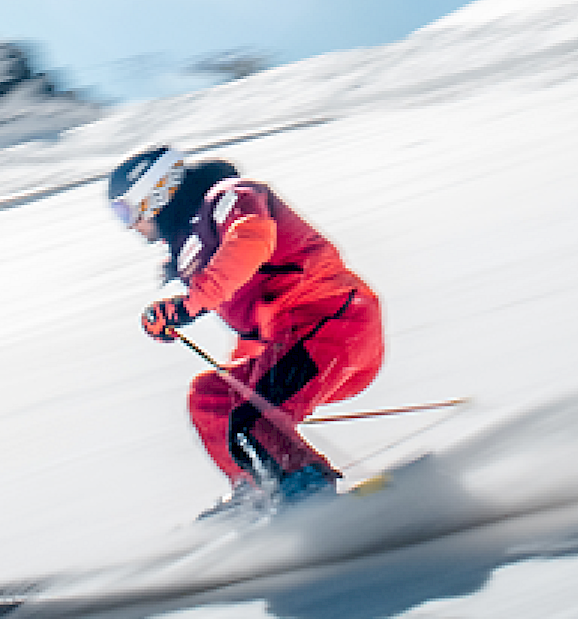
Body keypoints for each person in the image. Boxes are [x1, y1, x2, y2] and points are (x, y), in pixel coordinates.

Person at [107, 145, 385, 504]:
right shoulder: (189, 249)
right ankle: (256, 495)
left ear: (156, 192)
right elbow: (255, 323)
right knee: (211, 400)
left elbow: (251, 241)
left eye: (126, 211)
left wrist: (189, 306)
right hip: (289, 343)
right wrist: (242, 375)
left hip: (333, 324)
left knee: (254, 420)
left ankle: (313, 501)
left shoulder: (228, 195)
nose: (130, 225)